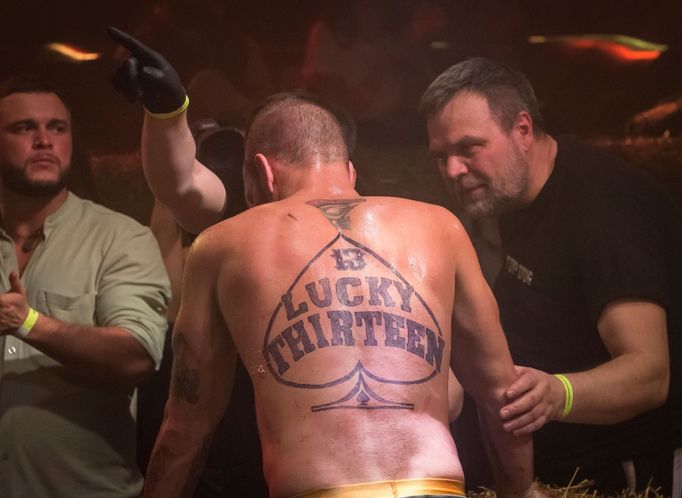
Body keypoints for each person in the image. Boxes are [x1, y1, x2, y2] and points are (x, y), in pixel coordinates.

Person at [137, 91, 538, 498]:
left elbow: (186, 426)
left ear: (261, 173)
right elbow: (505, 397)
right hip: (433, 487)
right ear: (349, 170)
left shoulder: (221, 244)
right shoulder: (442, 227)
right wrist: (517, 490)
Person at [421, 57, 682, 495]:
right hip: (557, 460)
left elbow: (650, 375)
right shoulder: (509, 191)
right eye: (440, 156)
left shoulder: (604, 214)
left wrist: (556, 393)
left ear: (523, 130)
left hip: (627, 468)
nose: (452, 171)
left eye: (468, 148)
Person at [0, 75, 171, 497]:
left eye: (57, 128)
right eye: (24, 128)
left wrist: (30, 323)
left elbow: (138, 355)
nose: (44, 141)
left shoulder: (119, 238)